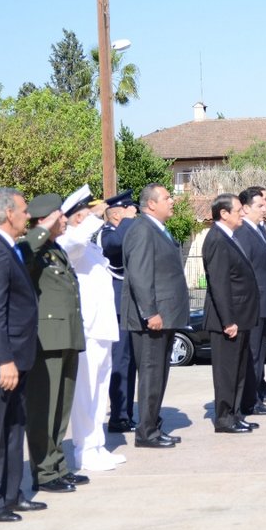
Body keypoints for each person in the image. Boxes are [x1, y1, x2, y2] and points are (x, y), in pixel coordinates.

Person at [0, 188, 57, 522]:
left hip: (17, 355)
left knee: (14, 425)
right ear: (7, 213)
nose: (28, 216)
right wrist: (3, 359)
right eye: (23, 210)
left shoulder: (8, 248)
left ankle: (11, 494)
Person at [21, 193, 88, 494]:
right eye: (60, 216)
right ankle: (44, 472)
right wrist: (44, 227)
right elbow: (24, 254)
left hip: (67, 337)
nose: (66, 220)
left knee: (61, 409)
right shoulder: (31, 247)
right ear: (46, 218)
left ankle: (57, 466)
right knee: (44, 410)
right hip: (47, 340)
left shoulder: (55, 249)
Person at [57, 194, 125, 471]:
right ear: (77, 216)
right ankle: (84, 450)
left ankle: (97, 445)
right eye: (87, 211)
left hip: (102, 327)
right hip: (86, 329)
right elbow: (73, 243)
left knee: (99, 392)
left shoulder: (90, 246)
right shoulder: (68, 241)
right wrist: (95, 217)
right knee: (85, 394)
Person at [122, 184, 190, 448]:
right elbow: (140, 275)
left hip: (165, 316)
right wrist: (150, 312)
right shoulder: (142, 230)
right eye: (166, 197)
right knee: (151, 374)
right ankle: (146, 432)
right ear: (151, 204)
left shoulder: (158, 229)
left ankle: (153, 426)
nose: (172, 201)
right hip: (151, 319)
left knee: (159, 375)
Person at [202, 194, 261, 434]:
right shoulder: (216, 238)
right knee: (226, 373)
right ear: (224, 214)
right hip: (227, 321)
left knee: (237, 372)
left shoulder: (230, 237)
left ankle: (235, 414)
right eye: (238, 211)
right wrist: (228, 321)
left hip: (240, 318)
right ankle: (224, 419)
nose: (242, 214)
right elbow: (219, 283)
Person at [234, 186, 266, 417]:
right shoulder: (244, 232)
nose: (265, 209)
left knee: (260, 353)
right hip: (255, 303)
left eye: (265, 205)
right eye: (260, 206)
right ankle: (250, 401)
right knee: (252, 354)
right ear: (245, 208)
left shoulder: (258, 230)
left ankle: (256, 396)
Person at [99, 190, 139, 434]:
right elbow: (113, 247)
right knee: (120, 362)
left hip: (129, 306)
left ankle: (126, 414)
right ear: (116, 215)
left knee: (130, 363)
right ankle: (118, 416)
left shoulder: (123, 230)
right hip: (116, 308)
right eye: (128, 211)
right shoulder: (107, 233)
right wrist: (126, 221)